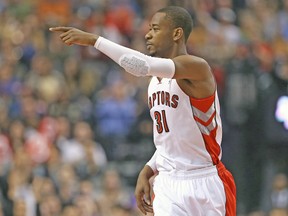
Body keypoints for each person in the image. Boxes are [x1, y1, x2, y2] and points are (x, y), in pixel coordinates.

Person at [50, 6, 236, 216]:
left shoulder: (197, 68)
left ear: (177, 33)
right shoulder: (154, 84)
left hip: (205, 180)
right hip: (168, 182)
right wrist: (148, 169)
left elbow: (141, 65)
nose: (148, 34)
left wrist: (95, 40)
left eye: (155, 29)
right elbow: (170, 141)